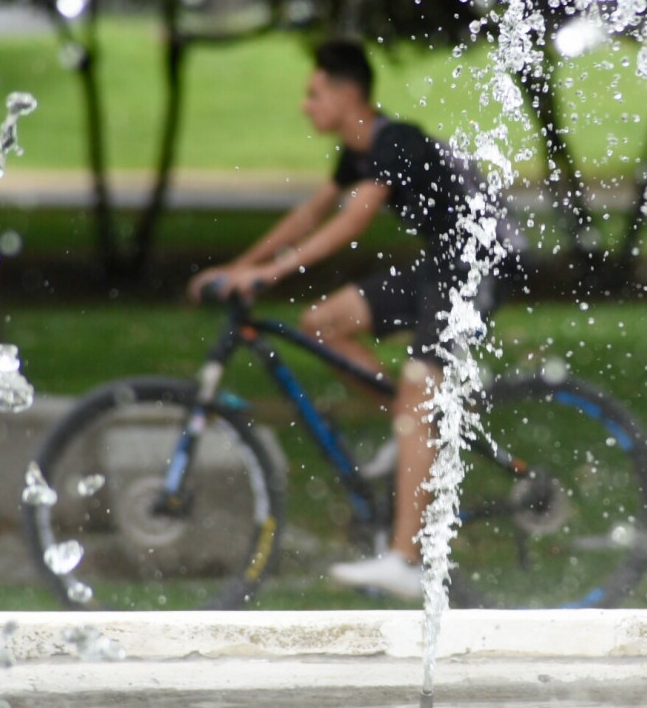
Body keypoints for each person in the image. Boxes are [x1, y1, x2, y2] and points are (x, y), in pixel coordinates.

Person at [188, 40, 522, 600]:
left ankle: (406, 561)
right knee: (323, 323)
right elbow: (311, 213)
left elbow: (352, 221)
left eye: (314, 93)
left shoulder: (396, 140)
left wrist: (270, 275)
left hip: (481, 264)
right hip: (442, 264)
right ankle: (414, 430)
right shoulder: (357, 150)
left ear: (348, 95)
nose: (305, 106)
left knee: (419, 388)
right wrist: (241, 267)